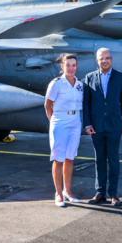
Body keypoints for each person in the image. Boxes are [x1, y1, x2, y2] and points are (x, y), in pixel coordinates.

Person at [83, 47, 122, 206]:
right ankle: (100, 192)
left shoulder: (121, 77)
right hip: (96, 127)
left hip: (114, 125)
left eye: (108, 58)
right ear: (97, 61)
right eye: (102, 58)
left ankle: (114, 193)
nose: (105, 61)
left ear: (111, 59)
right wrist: (87, 123)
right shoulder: (89, 78)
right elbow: (86, 103)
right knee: (99, 160)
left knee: (114, 160)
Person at [45, 54, 83, 208]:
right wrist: (54, 123)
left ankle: (68, 191)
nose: (71, 68)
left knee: (70, 158)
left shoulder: (80, 84)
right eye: (68, 65)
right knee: (59, 158)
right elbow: (48, 105)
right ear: (62, 67)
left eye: (73, 65)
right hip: (60, 121)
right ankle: (58, 193)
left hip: (75, 122)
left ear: (77, 67)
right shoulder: (56, 84)